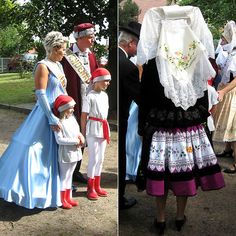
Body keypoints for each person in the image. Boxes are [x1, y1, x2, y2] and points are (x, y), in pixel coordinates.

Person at [136, 5, 225, 234]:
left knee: (162, 173)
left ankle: (161, 217)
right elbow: (204, 96)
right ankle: (179, 215)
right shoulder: (197, 58)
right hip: (188, 129)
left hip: (162, 128)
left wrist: (142, 126)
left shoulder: (154, 62)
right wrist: (201, 119)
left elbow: (143, 98)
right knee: (184, 171)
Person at [0, 31, 68, 209]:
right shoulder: (43, 66)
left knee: (59, 151)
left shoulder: (58, 65)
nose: (65, 53)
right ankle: (33, 191)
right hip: (45, 114)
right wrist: (51, 117)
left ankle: (60, 188)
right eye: (63, 49)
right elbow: (41, 94)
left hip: (60, 112)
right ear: (54, 48)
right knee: (35, 151)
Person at [61, 22, 98, 184]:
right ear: (80, 38)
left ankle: (76, 170)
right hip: (72, 102)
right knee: (71, 135)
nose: (93, 40)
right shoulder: (67, 55)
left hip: (88, 103)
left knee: (84, 134)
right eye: (90, 37)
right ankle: (65, 170)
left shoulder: (91, 55)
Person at [119, 21, 141, 210]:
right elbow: (140, 97)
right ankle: (120, 198)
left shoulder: (115, 60)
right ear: (131, 43)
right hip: (122, 117)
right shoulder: (128, 67)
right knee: (120, 156)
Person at [80, 68, 111, 200]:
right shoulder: (89, 96)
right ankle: (90, 186)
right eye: (105, 80)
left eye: (109, 81)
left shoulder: (105, 96)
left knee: (101, 158)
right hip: (93, 129)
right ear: (97, 81)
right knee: (93, 158)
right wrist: (83, 133)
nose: (108, 83)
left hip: (103, 127)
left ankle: (97, 185)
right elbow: (83, 116)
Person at [53, 95, 85, 209]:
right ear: (63, 109)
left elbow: (77, 131)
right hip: (66, 153)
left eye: (72, 107)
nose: (72, 110)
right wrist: (74, 141)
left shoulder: (72, 119)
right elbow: (59, 139)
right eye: (70, 108)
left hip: (75, 152)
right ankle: (63, 199)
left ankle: (69, 197)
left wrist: (81, 137)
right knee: (64, 176)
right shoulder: (58, 123)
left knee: (70, 175)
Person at [213, 21, 236, 173]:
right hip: (228, 91)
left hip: (232, 93)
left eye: (223, 38)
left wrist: (224, 90)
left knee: (234, 129)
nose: (222, 40)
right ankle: (228, 149)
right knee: (229, 126)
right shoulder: (232, 53)